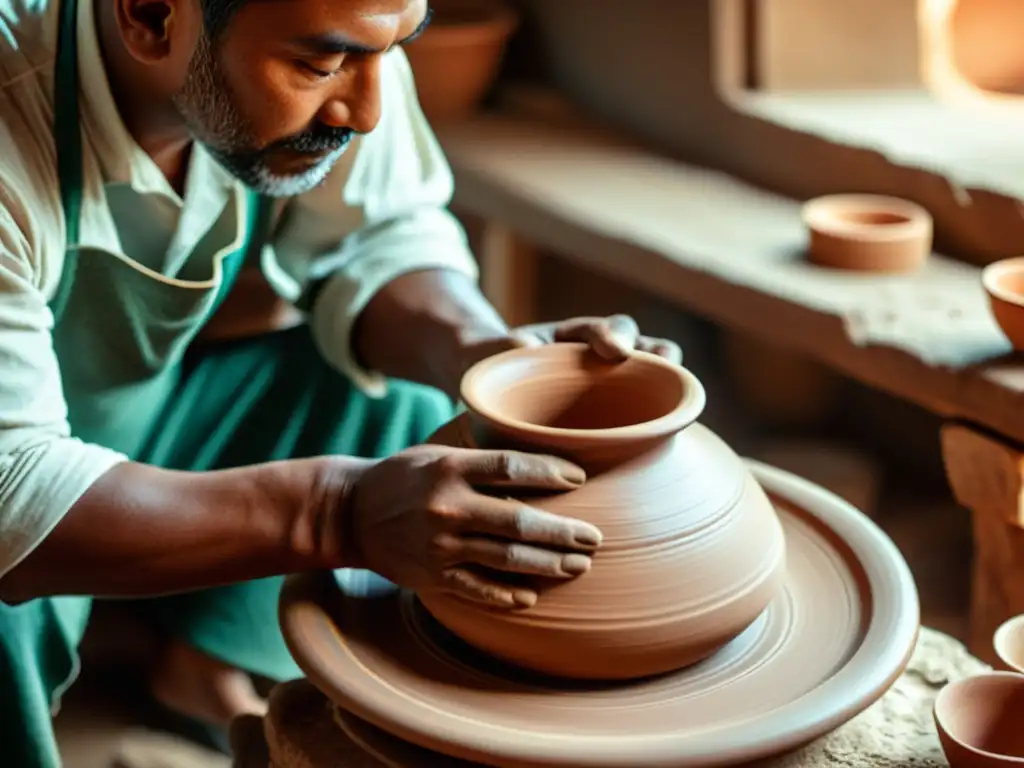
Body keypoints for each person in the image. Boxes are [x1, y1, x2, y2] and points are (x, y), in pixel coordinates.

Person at [0, 0, 682, 763]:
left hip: (141, 412)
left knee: (421, 400)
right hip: (16, 477)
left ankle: (209, 666)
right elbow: (14, 495)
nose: (367, 111)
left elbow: (379, 237)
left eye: (392, 50)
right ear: (154, 16)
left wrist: (489, 355)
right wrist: (336, 513)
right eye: (321, 66)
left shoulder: (340, 41)